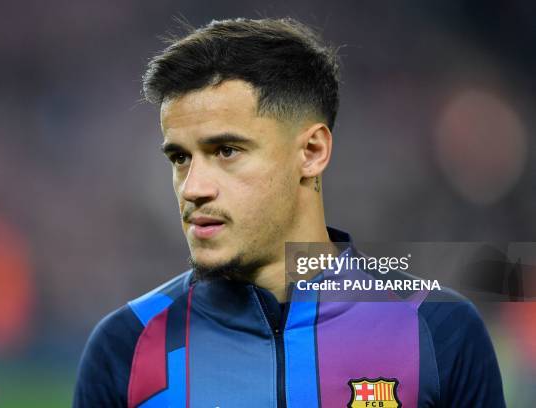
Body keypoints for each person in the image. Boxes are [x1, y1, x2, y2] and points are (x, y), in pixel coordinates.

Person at [73, 18, 505, 407]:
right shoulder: (125, 346)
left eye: (226, 151)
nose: (193, 188)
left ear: (312, 152)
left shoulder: (439, 329)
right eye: (180, 158)